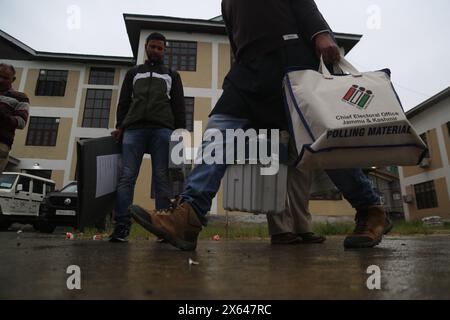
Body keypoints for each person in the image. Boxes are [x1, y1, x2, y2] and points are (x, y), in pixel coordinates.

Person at [130, 0, 392, 250]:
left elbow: (303, 4)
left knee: (319, 143)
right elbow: (235, 38)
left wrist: (322, 34)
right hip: (247, 72)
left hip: (291, 60)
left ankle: (370, 210)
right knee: (218, 130)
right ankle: (190, 215)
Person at [109, 32, 186, 242]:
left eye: (160, 48)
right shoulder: (134, 73)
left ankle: (162, 228)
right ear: (146, 47)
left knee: (161, 178)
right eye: (153, 47)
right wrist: (120, 126)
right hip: (133, 130)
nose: (156, 51)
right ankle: (122, 227)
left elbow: (179, 106)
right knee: (127, 177)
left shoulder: (172, 74)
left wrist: (180, 133)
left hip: (162, 130)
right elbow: (124, 101)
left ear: (164, 50)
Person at [0, 63, 29, 174]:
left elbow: (21, 122)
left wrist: (2, 116)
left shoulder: (20, 97)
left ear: (13, 79)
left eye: (5, 78)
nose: (1, 80)